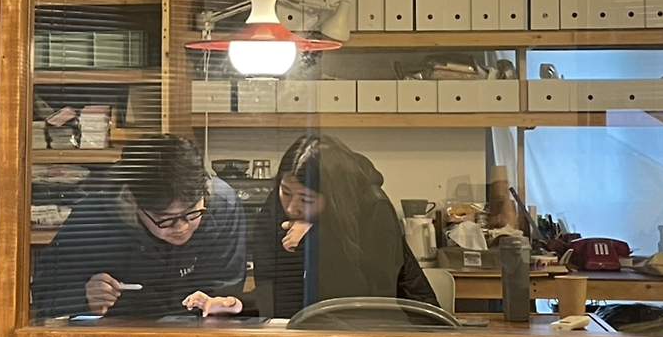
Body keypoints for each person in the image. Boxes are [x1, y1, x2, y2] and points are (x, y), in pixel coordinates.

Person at [183, 134, 439, 318]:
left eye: (306, 200)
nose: (291, 207)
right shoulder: (275, 207)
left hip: (391, 330)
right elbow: (277, 291)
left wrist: (316, 241)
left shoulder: (372, 207)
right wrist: (238, 304)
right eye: (285, 192)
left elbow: (370, 300)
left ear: (333, 197)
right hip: (307, 328)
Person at [31, 134, 246, 319]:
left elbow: (229, 288)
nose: (181, 227)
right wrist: (84, 297)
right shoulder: (94, 218)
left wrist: (223, 304)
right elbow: (45, 295)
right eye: (166, 219)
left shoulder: (222, 205)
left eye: (192, 214)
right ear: (131, 200)